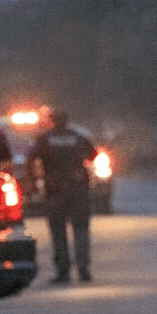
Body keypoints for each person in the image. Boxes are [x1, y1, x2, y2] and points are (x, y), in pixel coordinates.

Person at [27, 109, 95, 284]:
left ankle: (63, 271)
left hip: (55, 191)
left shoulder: (45, 139)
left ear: (51, 121)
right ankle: (83, 268)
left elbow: (31, 158)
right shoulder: (78, 137)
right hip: (78, 189)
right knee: (80, 228)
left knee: (58, 231)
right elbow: (93, 155)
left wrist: (34, 183)